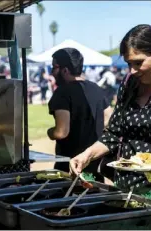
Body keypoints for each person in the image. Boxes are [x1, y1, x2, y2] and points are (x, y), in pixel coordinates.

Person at [69, 24, 151, 202]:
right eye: (129, 63)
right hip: (125, 189)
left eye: (138, 63)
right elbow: (113, 134)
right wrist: (86, 155)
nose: (132, 70)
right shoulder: (129, 85)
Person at [47, 48, 113, 180]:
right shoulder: (96, 89)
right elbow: (109, 120)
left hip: (70, 168)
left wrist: (50, 132)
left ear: (65, 70)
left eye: (54, 67)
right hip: (94, 166)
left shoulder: (62, 92)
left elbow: (61, 132)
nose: (52, 72)